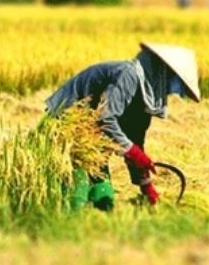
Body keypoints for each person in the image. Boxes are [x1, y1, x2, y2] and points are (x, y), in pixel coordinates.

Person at [45, 42, 200, 210]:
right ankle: (68, 224)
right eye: (176, 83)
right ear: (163, 73)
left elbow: (134, 142)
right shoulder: (129, 75)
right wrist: (133, 152)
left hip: (94, 137)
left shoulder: (144, 102)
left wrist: (146, 186)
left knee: (104, 197)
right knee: (78, 189)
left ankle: (98, 224)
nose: (175, 91)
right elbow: (106, 117)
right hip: (69, 123)